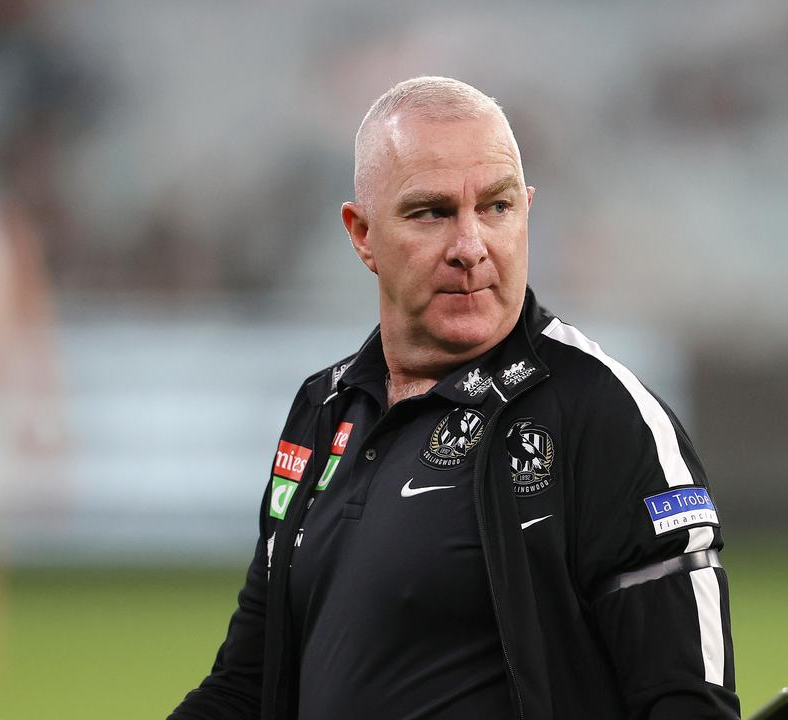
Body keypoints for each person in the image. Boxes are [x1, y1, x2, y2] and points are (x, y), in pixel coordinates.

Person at [172, 76, 738, 720]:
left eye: (496, 208)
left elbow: (689, 702)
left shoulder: (604, 416)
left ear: (526, 210)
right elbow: (247, 685)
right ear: (361, 234)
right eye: (432, 213)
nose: (471, 248)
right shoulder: (322, 409)